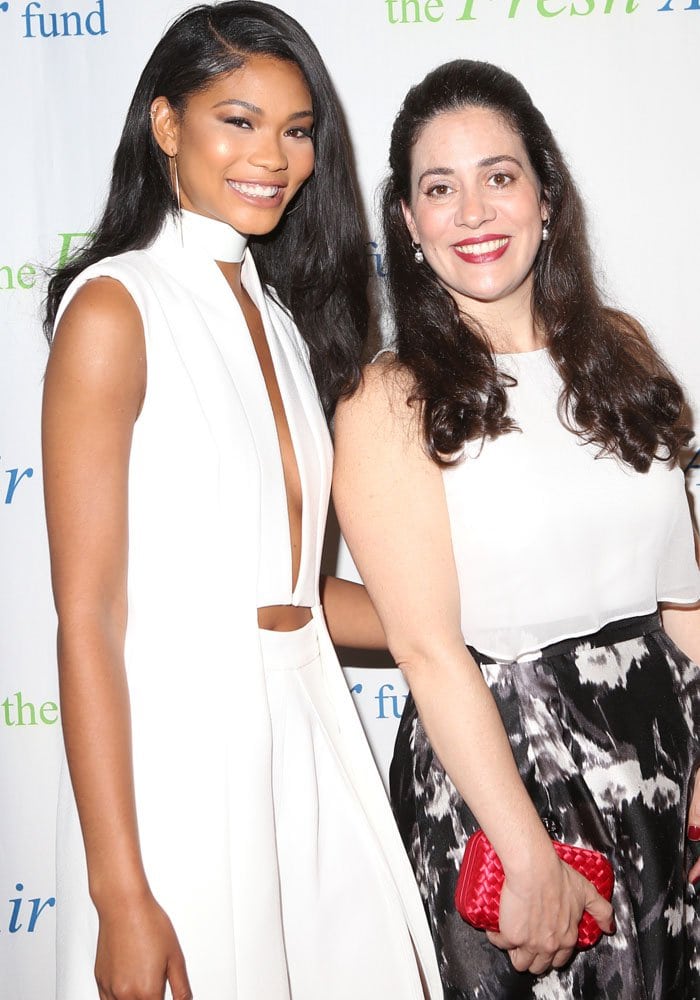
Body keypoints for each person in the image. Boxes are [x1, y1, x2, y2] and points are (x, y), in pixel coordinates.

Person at [41, 4, 443, 998]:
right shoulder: (114, 305)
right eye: (239, 119)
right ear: (167, 126)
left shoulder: (277, 317)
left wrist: (485, 620)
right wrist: (119, 891)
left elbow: (299, 592)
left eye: (296, 129)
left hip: (308, 729)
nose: (274, 155)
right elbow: (86, 616)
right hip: (181, 753)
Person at [332, 58, 700, 999]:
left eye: (499, 176)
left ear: (545, 192)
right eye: (438, 189)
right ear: (408, 226)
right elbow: (424, 647)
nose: (474, 212)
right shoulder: (391, 397)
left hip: (665, 762)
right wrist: (527, 857)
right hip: (504, 786)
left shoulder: (618, 352)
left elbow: (684, 601)